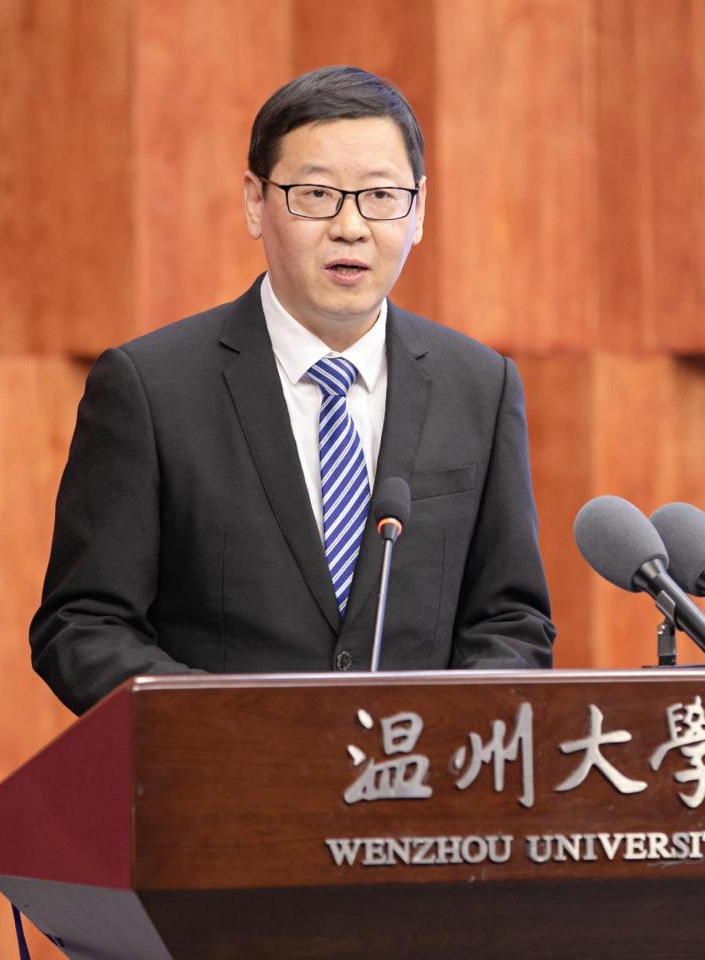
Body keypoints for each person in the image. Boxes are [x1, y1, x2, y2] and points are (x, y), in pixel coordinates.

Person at [31, 66, 556, 714]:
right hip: (222, 771)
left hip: (417, 770)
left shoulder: (478, 386)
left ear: (418, 210)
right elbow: (83, 625)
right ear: (256, 202)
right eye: (316, 194)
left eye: (380, 195)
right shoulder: (151, 389)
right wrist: (233, 733)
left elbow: (511, 621)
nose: (351, 226)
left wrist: (442, 734)